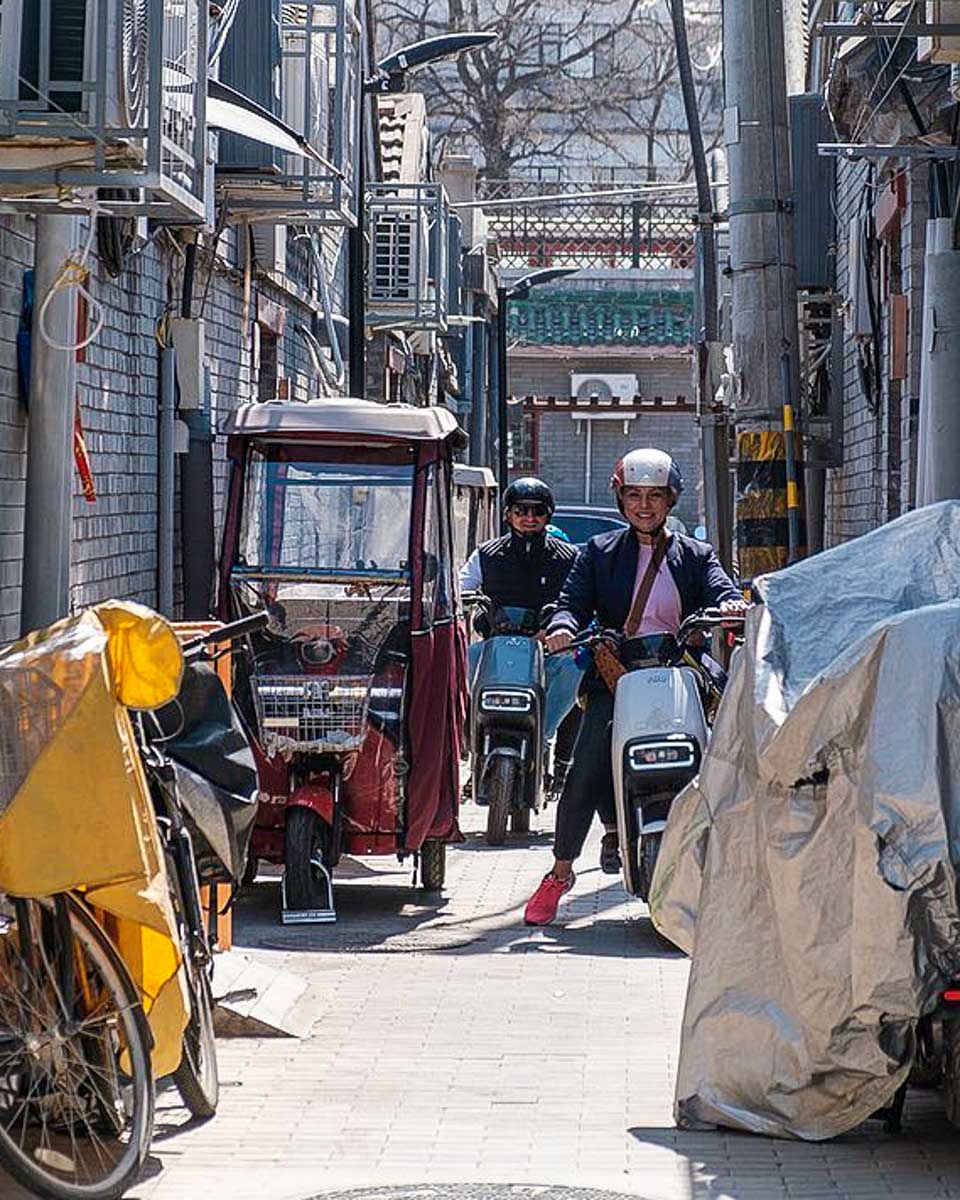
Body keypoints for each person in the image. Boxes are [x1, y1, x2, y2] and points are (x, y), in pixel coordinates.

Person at [523, 448, 746, 926]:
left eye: (655, 496)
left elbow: (720, 589)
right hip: (618, 675)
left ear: (671, 500)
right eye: (635, 495)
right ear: (621, 499)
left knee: (738, 741)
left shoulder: (696, 554)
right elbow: (570, 603)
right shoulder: (599, 553)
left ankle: (739, 866)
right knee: (584, 768)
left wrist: (731, 606)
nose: (645, 505)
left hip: (682, 670)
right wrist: (562, 625)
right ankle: (560, 873)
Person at [459, 477, 582, 774]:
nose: (529, 518)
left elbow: (579, 599)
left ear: (548, 515)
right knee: (458, 664)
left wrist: (555, 631)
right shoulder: (486, 554)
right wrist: (458, 600)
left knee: (575, 668)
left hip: (547, 650)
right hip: (494, 647)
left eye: (537, 511)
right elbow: (459, 587)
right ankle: (470, 740)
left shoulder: (569, 557)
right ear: (507, 514)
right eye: (520, 510)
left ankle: (543, 734)